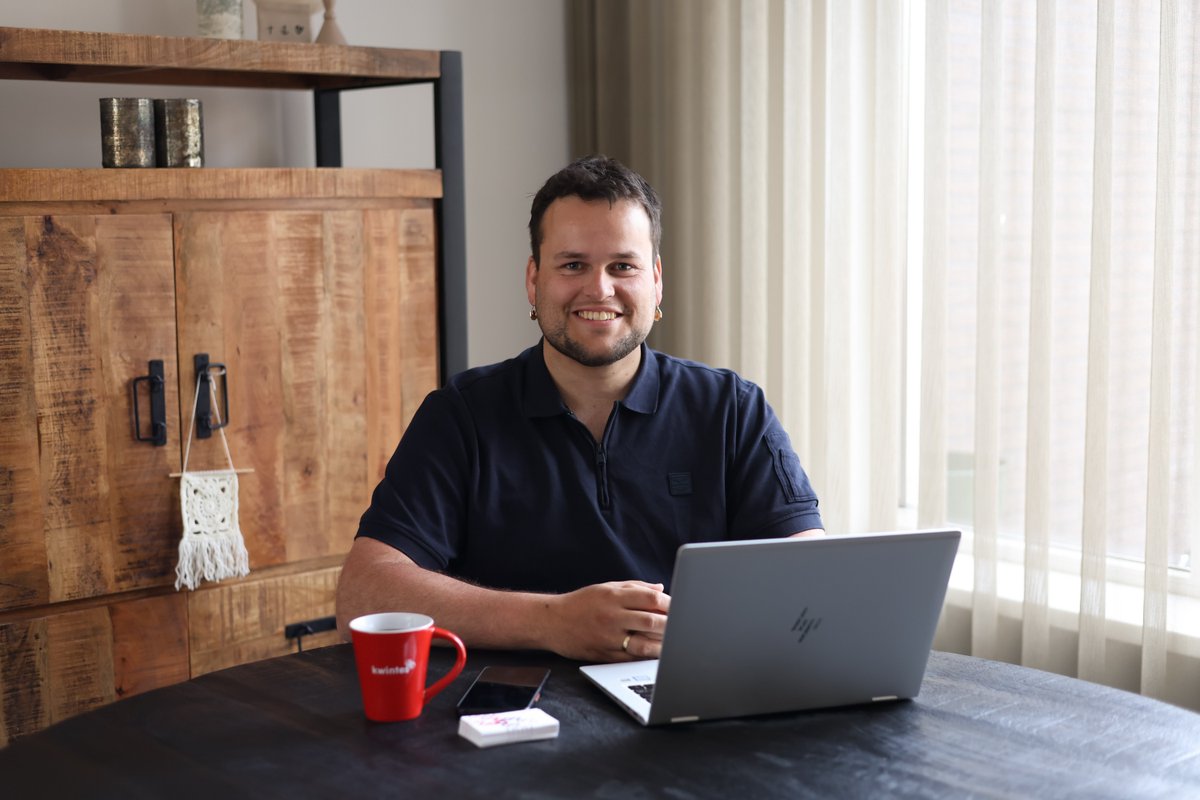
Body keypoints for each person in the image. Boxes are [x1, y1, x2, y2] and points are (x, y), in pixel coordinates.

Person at [335, 155, 823, 662]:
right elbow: (363, 594)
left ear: (656, 281)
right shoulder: (460, 416)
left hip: (685, 701)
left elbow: (812, 575)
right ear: (533, 280)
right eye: (573, 265)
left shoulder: (733, 410)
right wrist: (553, 623)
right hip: (515, 716)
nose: (599, 289)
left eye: (623, 266)